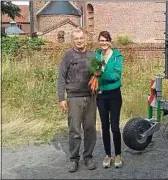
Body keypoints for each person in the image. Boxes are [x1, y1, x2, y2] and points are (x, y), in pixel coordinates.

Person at [57, 28, 97, 172]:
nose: (79, 41)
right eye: (76, 39)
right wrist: (61, 98)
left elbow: (98, 73)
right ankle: (74, 159)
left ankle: (88, 157)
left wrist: (98, 74)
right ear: (73, 40)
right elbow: (61, 77)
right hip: (74, 98)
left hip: (91, 97)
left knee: (90, 129)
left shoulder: (93, 55)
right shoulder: (68, 56)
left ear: (85, 39)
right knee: (74, 130)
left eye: (81, 38)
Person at [94, 31, 124, 168]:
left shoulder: (117, 56)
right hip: (101, 95)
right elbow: (92, 71)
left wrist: (101, 74)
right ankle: (108, 155)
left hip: (114, 95)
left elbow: (116, 76)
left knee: (115, 126)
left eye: (105, 40)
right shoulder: (96, 55)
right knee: (104, 126)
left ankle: (118, 154)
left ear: (110, 41)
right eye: (101, 40)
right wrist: (95, 74)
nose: (103, 43)